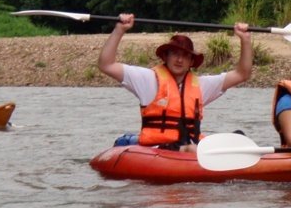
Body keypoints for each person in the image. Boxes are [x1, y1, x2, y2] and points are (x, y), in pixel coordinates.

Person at [98, 13, 253, 151]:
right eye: (175, 54)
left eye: (185, 56)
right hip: (158, 148)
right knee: (189, 148)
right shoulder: (147, 79)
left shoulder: (201, 85)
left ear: (191, 61)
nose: (179, 59)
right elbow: (106, 65)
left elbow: (242, 74)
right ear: (166, 56)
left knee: (238, 137)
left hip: (191, 146)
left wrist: (245, 39)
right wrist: (120, 29)